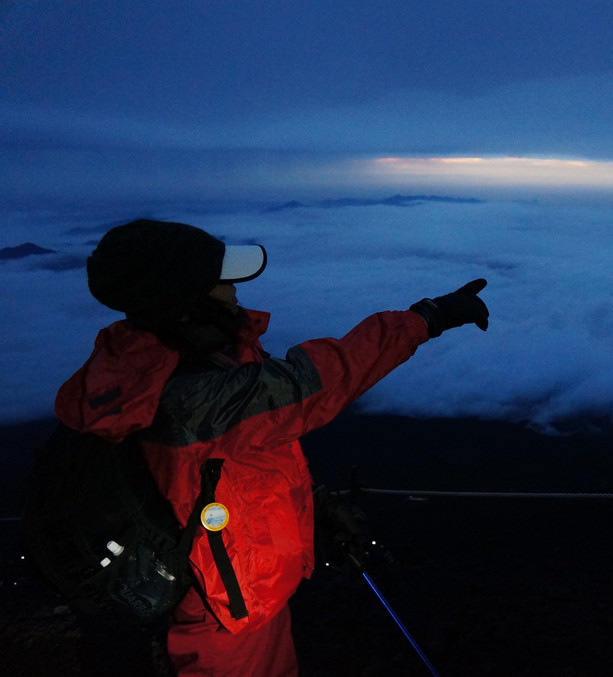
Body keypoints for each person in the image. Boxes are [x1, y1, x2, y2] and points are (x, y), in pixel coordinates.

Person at [53, 218, 489, 676]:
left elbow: (230, 465)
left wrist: (311, 506)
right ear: (185, 302)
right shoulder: (192, 395)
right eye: (221, 281)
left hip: (224, 580)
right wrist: (428, 317)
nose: (235, 290)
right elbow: (317, 382)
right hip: (225, 610)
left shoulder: (161, 360)